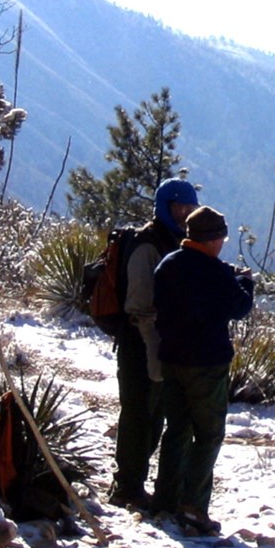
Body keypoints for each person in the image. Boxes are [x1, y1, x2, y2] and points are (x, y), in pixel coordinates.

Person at [150, 205, 254, 534]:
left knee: (177, 429)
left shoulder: (168, 265)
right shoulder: (215, 272)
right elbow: (239, 307)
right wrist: (246, 284)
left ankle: (165, 499)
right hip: (206, 363)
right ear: (212, 239)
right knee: (208, 434)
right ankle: (194, 507)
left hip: (171, 358)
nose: (223, 242)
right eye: (221, 237)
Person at [108, 177, 200, 509]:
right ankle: (127, 487)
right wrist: (153, 350)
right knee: (137, 413)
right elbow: (139, 306)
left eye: (190, 209)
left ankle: (134, 483)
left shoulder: (173, 242)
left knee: (155, 414)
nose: (186, 214)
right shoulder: (148, 246)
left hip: (161, 342)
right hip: (139, 342)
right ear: (165, 207)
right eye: (180, 208)